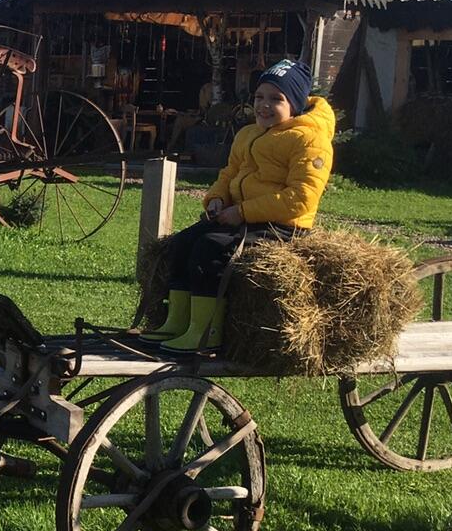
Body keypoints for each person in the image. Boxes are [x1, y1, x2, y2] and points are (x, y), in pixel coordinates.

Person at [143, 59, 335, 352]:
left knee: (211, 248)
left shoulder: (310, 140)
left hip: (281, 226)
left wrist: (242, 212)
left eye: (276, 99)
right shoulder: (248, 134)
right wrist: (217, 199)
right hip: (242, 217)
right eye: (259, 97)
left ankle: (206, 332)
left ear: (294, 104)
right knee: (182, 244)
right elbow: (229, 173)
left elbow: (300, 199)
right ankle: (178, 322)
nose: (264, 106)